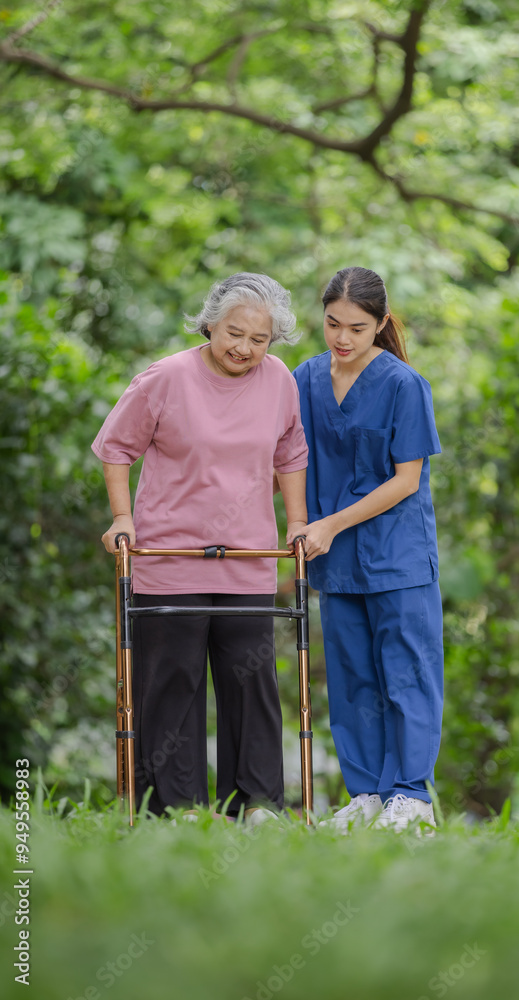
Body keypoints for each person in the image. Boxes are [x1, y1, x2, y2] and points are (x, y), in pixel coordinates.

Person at [92, 273, 308, 822]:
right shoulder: (166, 378)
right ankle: (174, 810)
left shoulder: (279, 380)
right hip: (170, 559)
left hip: (248, 560)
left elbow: (290, 455)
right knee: (172, 685)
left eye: (259, 340)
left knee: (250, 686)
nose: (244, 348)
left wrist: (298, 523)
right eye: (235, 333)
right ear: (210, 322)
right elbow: (116, 447)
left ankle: (256, 807)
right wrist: (122, 517)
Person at [293, 266, 444, 832]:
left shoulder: (404, 385)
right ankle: (369, 797)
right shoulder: (304, 379)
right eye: (332, 323)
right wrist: (304, 525)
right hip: (334, 560)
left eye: (357, 327)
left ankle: (410, 797)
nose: (342, 338)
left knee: (406, 674)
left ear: (380, 324)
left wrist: (330, 524)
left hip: (397, 556)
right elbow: (291, 461)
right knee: (353, 678)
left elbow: (407, 479)